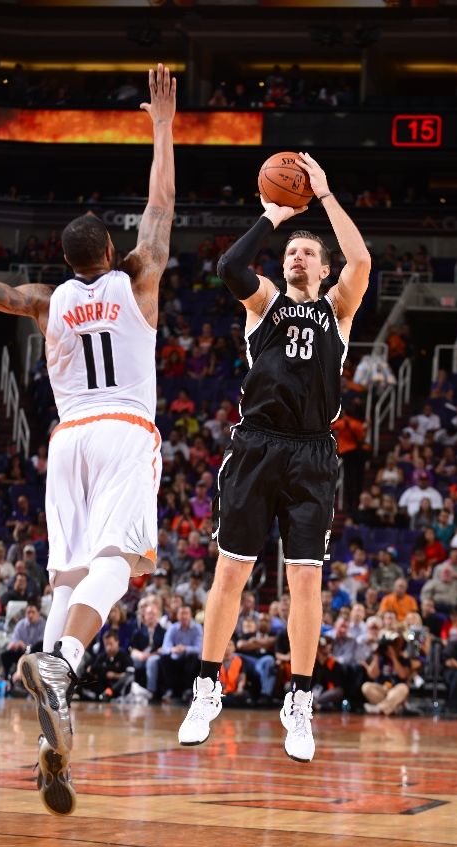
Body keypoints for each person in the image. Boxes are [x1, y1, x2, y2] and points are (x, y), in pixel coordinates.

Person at [0, 64, 176, 816]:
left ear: (65, 262)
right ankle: (62, 661)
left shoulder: (40, 301)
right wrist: (160, 124)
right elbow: (160, 204)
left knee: (66, 580)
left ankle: (48, 738)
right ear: (113, 250)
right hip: (125, 428)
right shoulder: (141, 276)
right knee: (120, 566)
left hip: (67, 440)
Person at [178, 151, 371, 762]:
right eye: (292, 250)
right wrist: (274, 216)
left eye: (308, 252)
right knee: (231, 571)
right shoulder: (263, 303)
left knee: (306, 579)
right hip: (256, 444)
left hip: (313, 453)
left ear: (323, 265)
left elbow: (362, 260)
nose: (296, 256)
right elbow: (230, 264)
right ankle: (207, 688)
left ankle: (300, 701)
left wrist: (326, 194)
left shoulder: (336, 311)